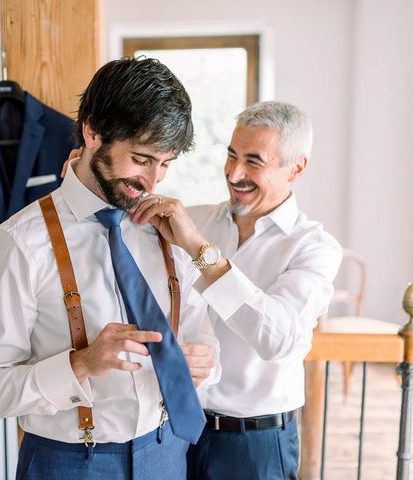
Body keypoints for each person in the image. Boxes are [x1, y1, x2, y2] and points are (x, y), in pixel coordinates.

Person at [0, 57, 220, 480]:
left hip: (167, 453)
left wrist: (205, 365)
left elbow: (205, 345)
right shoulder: (17, 244)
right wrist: (79, 364)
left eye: (166, 163)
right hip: (69, 463)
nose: (153, 182)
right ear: (92, 131)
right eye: (141, 159)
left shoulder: (171, 230)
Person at [132, 101, 342, 480]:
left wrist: (200, 252)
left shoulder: (314, 247)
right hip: (177, 429)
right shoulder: (194, 220)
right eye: (231, 155)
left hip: (254, 446)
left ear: (297, 168)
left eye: (254, 161)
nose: (234, 173)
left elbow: (278, 339)